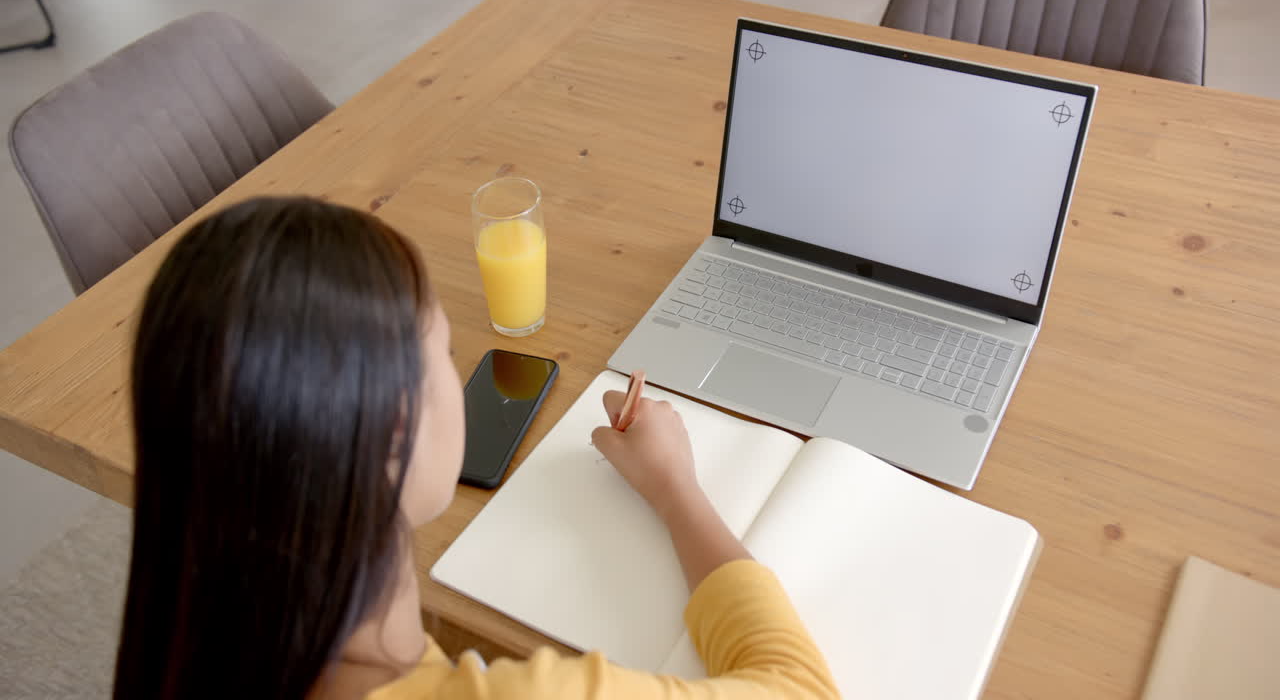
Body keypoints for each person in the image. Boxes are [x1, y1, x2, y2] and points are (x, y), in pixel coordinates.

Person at [113, 196, 839, 700]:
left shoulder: (182, 646)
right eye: (446, 349)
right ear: (397, 431)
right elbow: (799, 688)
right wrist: (676, 488)